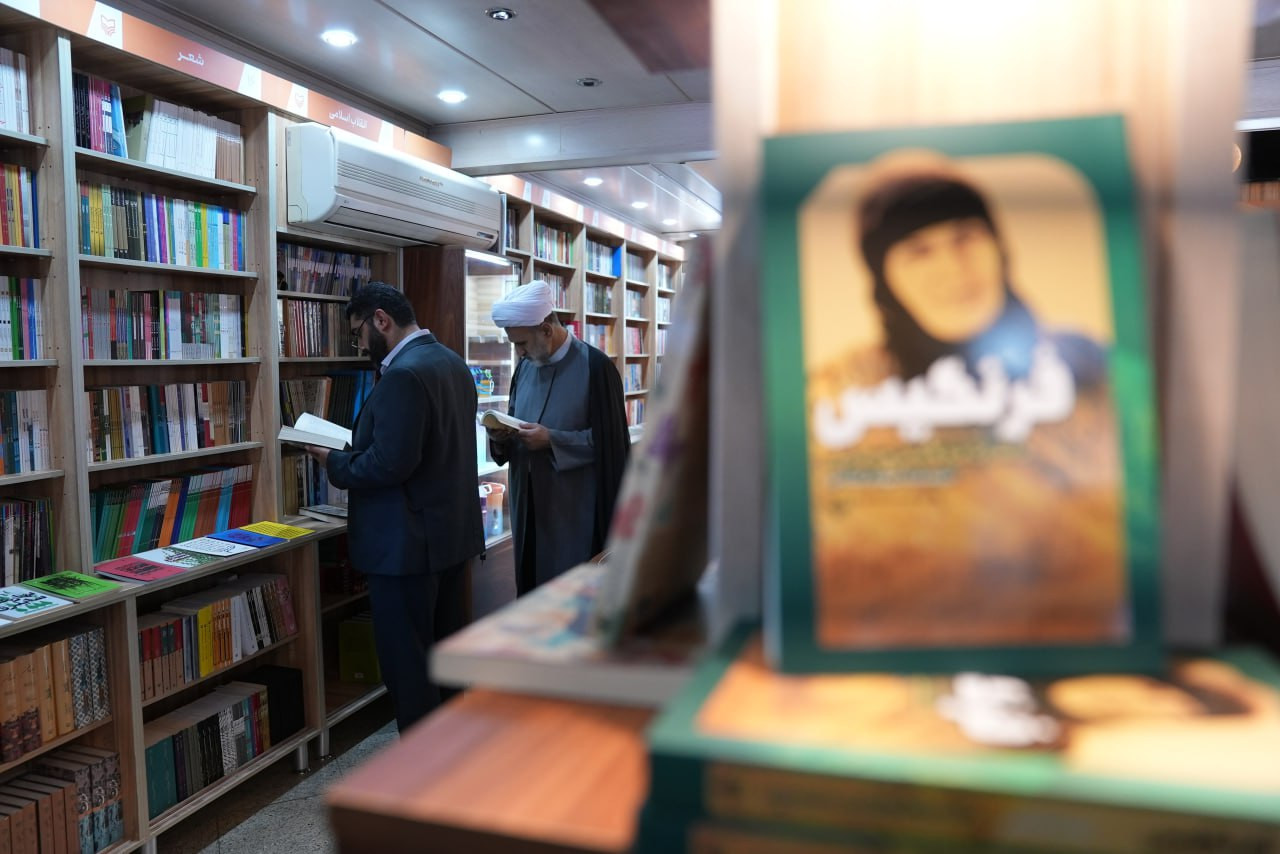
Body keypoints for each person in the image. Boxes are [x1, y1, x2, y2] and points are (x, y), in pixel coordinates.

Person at [805, 156, 1126, 650]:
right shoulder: (839, 397)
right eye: (918, 250)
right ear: (884, 277)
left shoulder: (1093, 370)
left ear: (1000, 246)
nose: (954, 268)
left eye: (965, 237)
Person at [306, 282, 483, 732]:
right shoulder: (452, 363)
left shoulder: (404, 374)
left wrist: (335, 462)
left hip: (407, 549)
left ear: (381, 320)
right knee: (444, 659)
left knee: (409, 669)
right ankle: (454, 755)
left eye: (358, 333)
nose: (360, 344)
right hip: (449, 538)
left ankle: (422, 766)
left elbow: (389, 464)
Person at [485, 280, 630, 595]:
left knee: (571, 599)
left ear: (546, 330)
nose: (519, 352)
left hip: (574, 512)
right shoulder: (525, 368)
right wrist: (500, 436)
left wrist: (552, 440)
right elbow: (513, 422)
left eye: (522, 343)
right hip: (527, 510)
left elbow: (612, 446)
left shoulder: (596, 368)